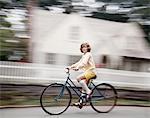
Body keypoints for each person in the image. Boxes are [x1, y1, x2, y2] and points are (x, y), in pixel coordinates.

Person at [69, 42, 97, 106]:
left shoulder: (88, 54)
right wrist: (70, 67)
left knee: (78, 78)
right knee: (83, 84)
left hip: (91, 72)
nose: (84, 48)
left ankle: (89, 92)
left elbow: (84, 63)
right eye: (82, 47)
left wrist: (78, 67)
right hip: (87, 73)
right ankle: (81, 102)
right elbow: (79, 62)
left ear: (88, 48)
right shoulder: (84, 55)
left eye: (85, 47)